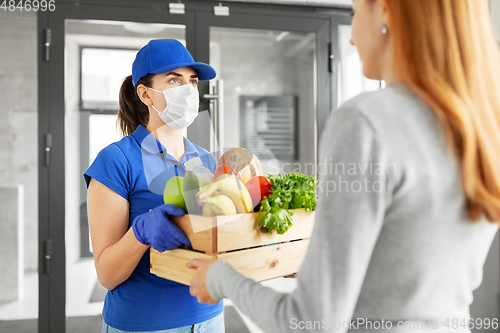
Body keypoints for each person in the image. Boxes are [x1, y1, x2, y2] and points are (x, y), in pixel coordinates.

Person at [188, 0, 500, 332]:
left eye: (355, 12)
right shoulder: (481, 127)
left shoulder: (366, 122)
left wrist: (221, 278)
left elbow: (310, 323)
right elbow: (409, 265)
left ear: (384, 11)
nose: (351, 38)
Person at [84, 39, 224, 332]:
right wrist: (140, 233)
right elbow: (107, 275)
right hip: (144, 323)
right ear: (145, 94)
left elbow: (217, 244)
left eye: (192, 81)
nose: (188, 90)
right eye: (174, 79)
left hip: (211, 318)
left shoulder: (207, 161)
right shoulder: (116, 160)